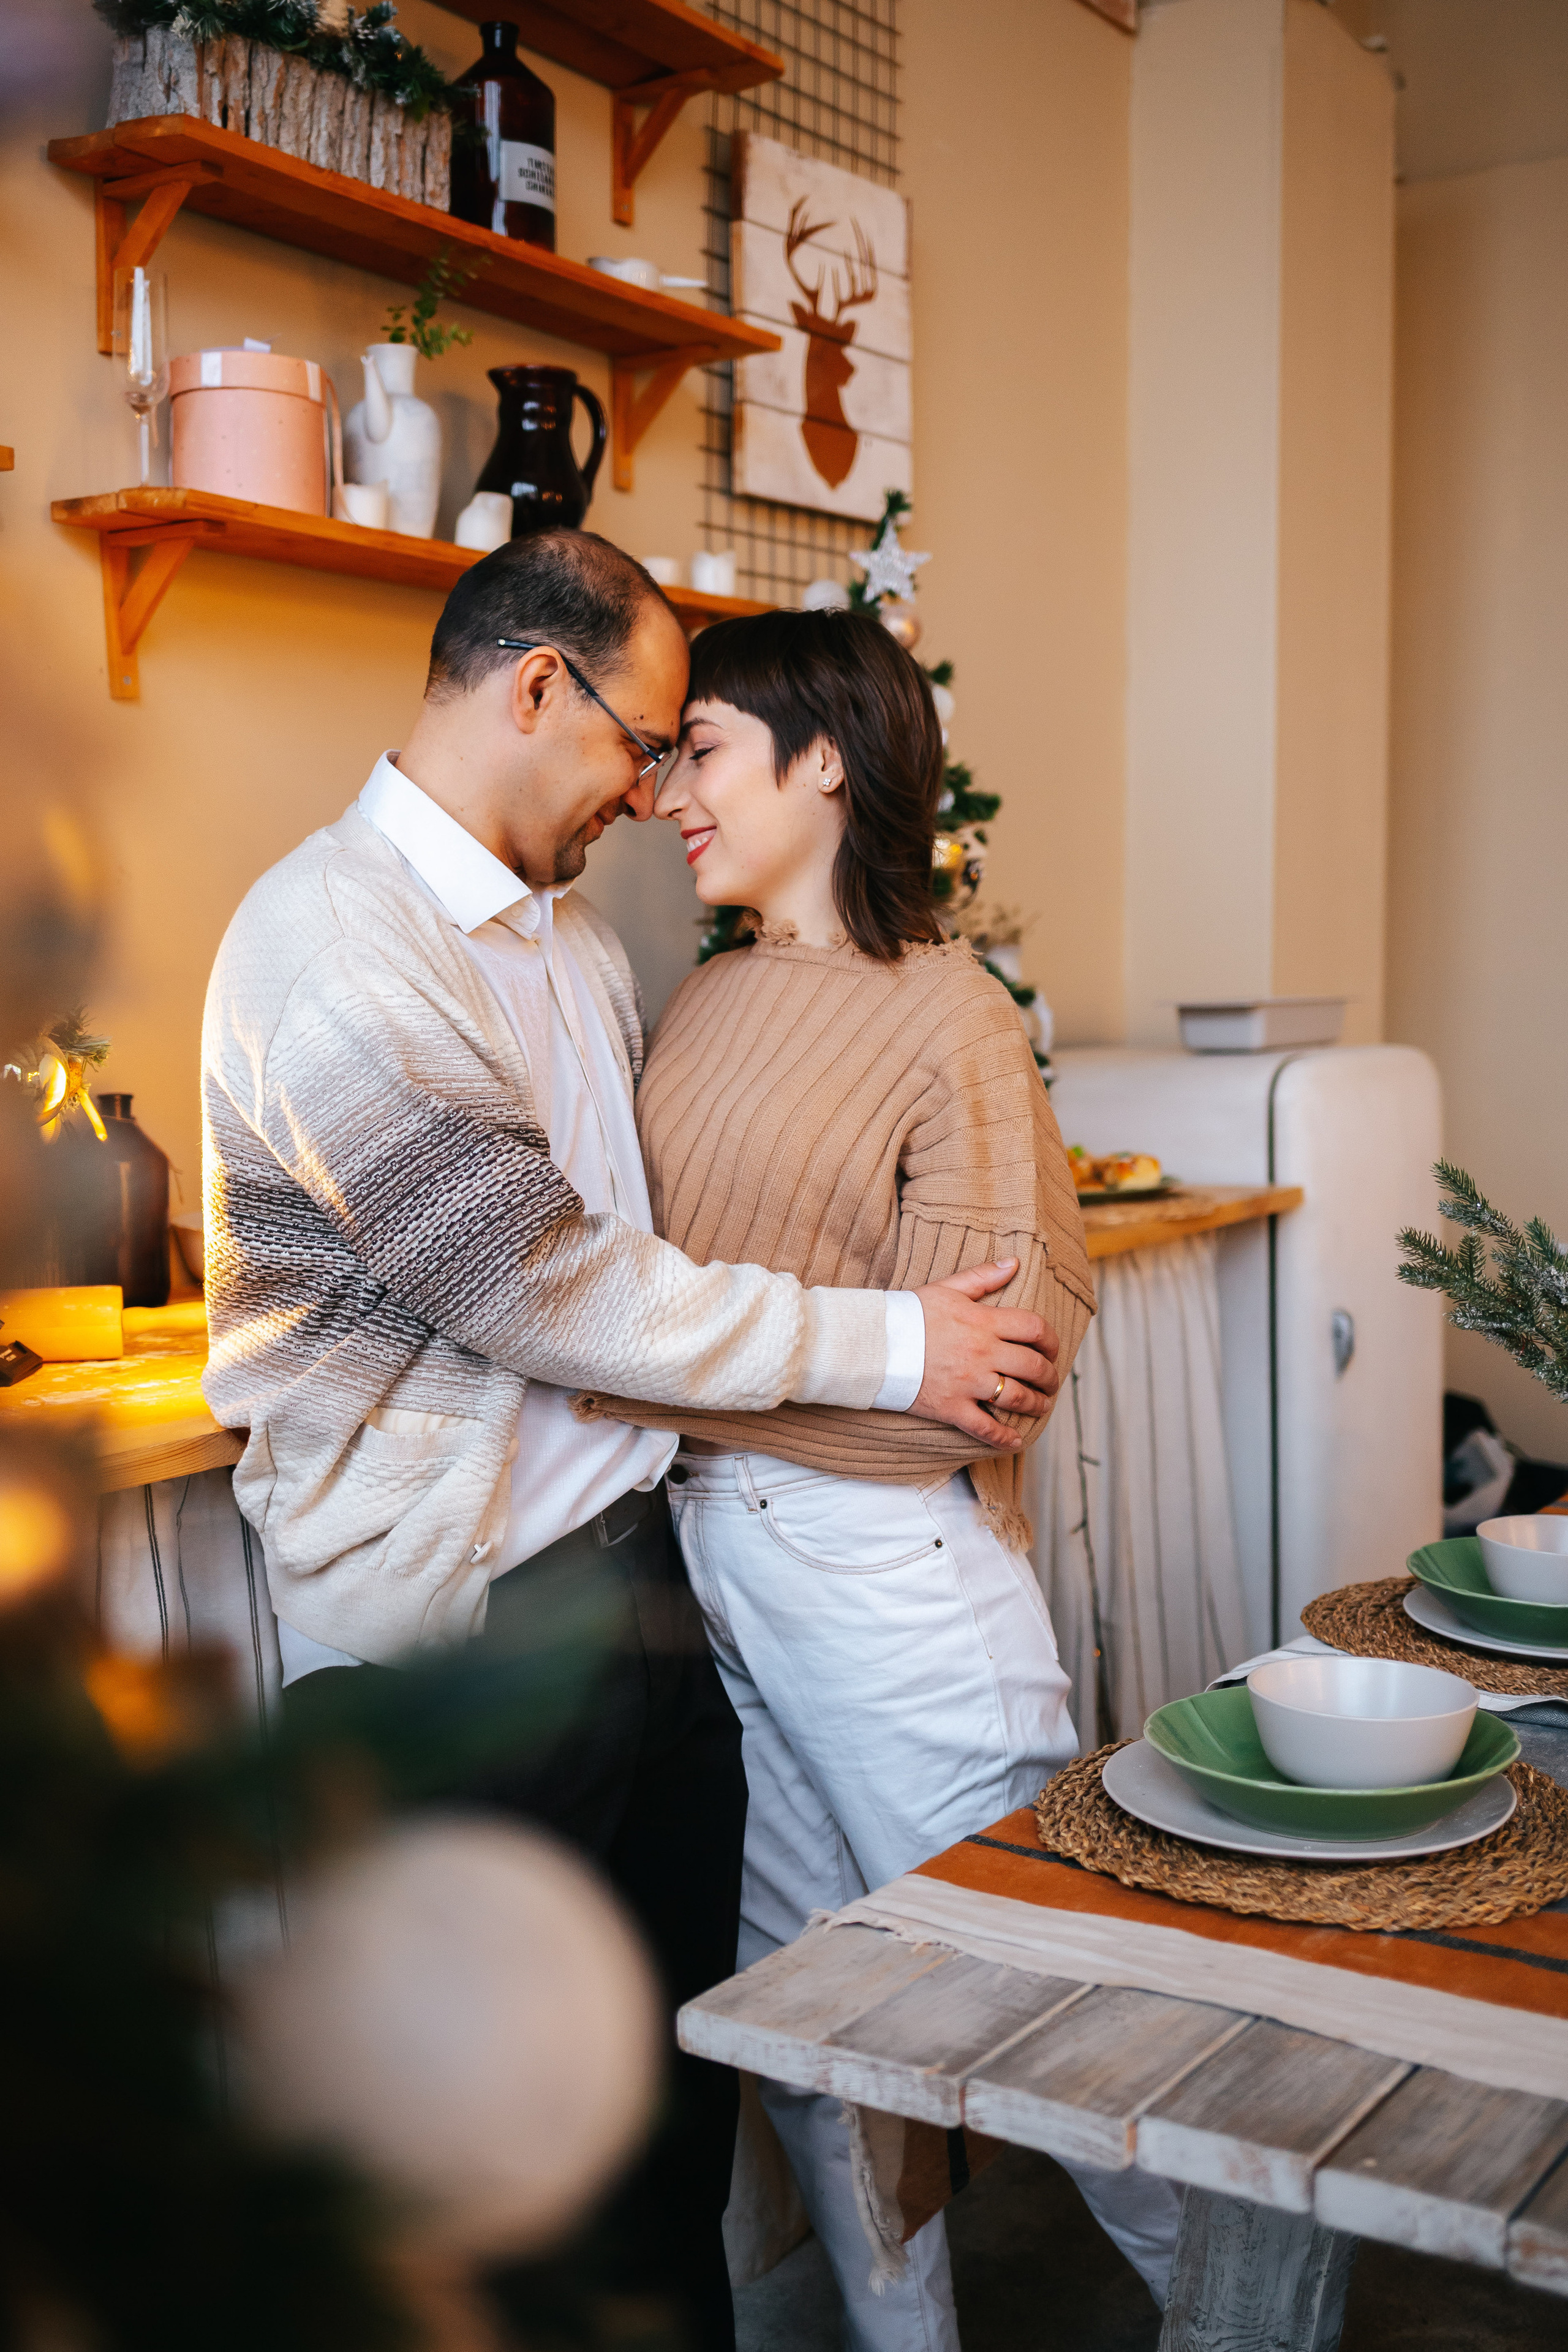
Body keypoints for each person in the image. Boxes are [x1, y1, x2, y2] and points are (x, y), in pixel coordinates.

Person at [199, 532, 1065, 2352]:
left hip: (643, 1610)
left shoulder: (581, 949)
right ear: (538, 688)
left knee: (671, 2131)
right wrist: (894, 1341)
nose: (653, 788)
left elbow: (656, 1262)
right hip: (461, 1647)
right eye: (643, 742)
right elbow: (548, 1285)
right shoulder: (330, 942)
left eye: (688, 752)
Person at [581, 608, 1183, 2350]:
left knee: (1053, 2019)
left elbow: (981, 1383)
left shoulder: (953, 1020)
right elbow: (710, 1323)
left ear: (821, 757)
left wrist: (733, 1385)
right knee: (816, 2030)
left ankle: (1243, 2320)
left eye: (701, 750)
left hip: (886, 1581)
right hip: (715, 1574)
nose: (668, 791)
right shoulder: (704, 995)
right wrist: (817, 1357)